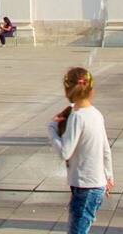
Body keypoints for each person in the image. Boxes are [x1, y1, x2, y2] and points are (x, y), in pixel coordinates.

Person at [45, 67, 113, 234]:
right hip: (95, 185)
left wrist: (52, 129)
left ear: (67, 90)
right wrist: (108, 176)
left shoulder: (77, 117)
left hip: (85, 186)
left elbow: (65, 152)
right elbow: (106, 149)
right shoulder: (96, 114)